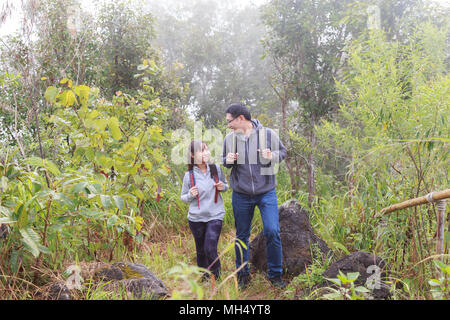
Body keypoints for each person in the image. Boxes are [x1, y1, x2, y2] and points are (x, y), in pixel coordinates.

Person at [222, 102, 287, 289]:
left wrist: (271, 156)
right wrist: (227, 161)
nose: (228, 125)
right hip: (241, 195)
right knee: (241, 236)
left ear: (241, 118)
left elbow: (282, 152)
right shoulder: (229, 139)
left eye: (230, 121)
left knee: (272, 231)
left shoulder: (268, 134)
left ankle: (275, 275)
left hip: (266, 192)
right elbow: (223, 160)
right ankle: (242, 276)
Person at [180, 140, 229, 280]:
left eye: (206, 149)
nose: (206, 153)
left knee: (210, 248)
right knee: (201, 251)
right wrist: (190, 195)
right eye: (202, 150)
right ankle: (205, 278)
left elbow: (226, 186)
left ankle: (217, 278)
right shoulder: (189, 175)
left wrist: (222, 187)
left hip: (215, 214)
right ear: (192, 155)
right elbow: (183, 197)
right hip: (195, 219)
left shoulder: (216, 169)